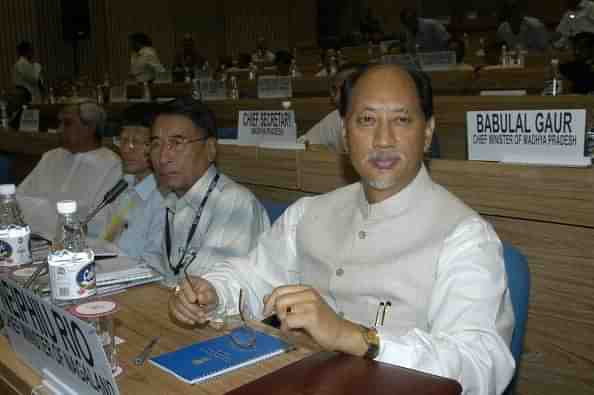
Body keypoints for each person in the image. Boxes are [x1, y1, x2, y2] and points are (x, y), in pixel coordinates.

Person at [170, 64, 515, 395]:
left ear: (427, 133)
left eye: (401, 120)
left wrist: (356, 337)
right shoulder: (309, 213)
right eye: (366, 120)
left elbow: (480, 364)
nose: (383, 140)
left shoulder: (466, 235)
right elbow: (253, 273)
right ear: (345, 134)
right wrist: (213, 290)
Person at [148, 97, 270, 284]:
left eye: (177, 143)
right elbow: (156, 269)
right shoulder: (172, 198)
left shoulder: (234, 202)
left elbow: (205, 291)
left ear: (211, 149)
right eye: (156, 144)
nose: (163, 158)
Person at [17, 100, 122, 238]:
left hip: (81, 243)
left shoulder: (112, 164)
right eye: (59, 123)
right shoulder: (50, 157)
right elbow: (20, 198)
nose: (59, 129)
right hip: (35, 237)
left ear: (90, 127)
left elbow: (101, 220)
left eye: (67, 123)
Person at [100, 103, 165, 259]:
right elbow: (109, 239)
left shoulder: (164, 197)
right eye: (123, 140)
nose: (127, 148)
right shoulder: (125, 187)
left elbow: (155, 262)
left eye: (137, 141)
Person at [298, 63, 362, 151]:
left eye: (344, 90)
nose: (335, 97)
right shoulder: (336, 117)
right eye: (334, 90)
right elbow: (303, 142)